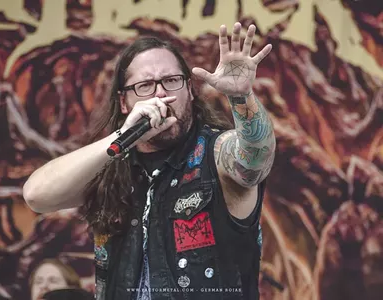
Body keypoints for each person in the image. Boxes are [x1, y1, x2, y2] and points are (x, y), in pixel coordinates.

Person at [23, 22, 276, 300]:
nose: (159, 94)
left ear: (189, 91)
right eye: (144, 85)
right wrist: (122, 136)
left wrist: (241, 96)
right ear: (124, 102)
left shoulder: (215, 154)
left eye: (171, 81)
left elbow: (256, 159)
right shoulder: (111, 165)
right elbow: (37, 195)